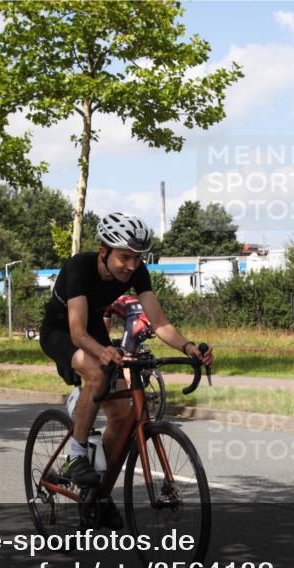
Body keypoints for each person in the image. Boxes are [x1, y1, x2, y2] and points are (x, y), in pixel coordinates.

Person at [39, 213, 213, 525]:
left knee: (121, 416)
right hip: (61, 332)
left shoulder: (137, 271)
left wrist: (188, 347)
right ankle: (76, 457)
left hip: (94, 333)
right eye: (124, 257)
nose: (131, 266)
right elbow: (78, 333)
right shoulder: (79, 266)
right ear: (103, 250)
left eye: (137, 258)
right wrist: (103, 350)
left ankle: (98, 496)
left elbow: (159, 323)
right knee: (95, 372)